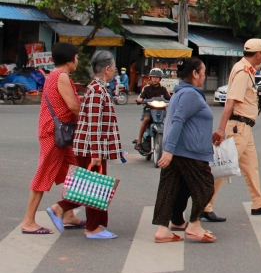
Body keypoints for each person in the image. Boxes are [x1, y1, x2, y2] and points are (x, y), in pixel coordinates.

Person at [50, 50, 124, 239]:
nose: (114, 71)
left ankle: (81, 219)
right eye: (113, 67)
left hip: (90, 147)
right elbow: (94, 123)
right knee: (95, 187)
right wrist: (96, 152)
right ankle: (89, 226)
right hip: (91, 148)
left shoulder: (97, 88)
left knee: (91, 186)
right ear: (107, 69)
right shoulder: (97, 89)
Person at [205, 39, 261, 221]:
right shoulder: (242, 72)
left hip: (246, 127)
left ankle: (258, 203)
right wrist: (221, 129)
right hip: (239, 126)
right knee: (224, 167)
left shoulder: (247, 70)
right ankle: (204, 205)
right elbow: (230, 101)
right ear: (258, 54)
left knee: (251, 166)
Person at [21, 42, 83, 234]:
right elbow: (73, 106)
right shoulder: (61, 76)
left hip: (61, 134)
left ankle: (68, 214)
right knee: (44, 173)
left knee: (74, 172)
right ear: (69, 59)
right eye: (77, 57)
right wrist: (91, 117)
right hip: (55, 134)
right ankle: (28, 221)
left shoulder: (55, 75)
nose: (78, 60)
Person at [153, 57, 217, 243]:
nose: (205, 76)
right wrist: (169, 150)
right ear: (195, 74)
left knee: (168, 189)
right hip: (188, 151)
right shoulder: (190, 94)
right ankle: (195, 224)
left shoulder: (179, 92)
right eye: (203, 72)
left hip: (177, 149)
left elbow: (186, 121)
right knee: (205, 186)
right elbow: (179, 121)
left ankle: (162, 229)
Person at [135, 68, 171, 151]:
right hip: (149, 109)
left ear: (160, 79)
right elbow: (141, 97)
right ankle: (139, 140)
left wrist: (173, 100)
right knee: (146, 119)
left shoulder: (163, 89)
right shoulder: (146, 88)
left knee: (167, 123)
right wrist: (140, 99)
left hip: (161, 110)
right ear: (150, 78)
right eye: (153, 77)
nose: (155, 79)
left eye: (157, 77)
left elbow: (169, 98)